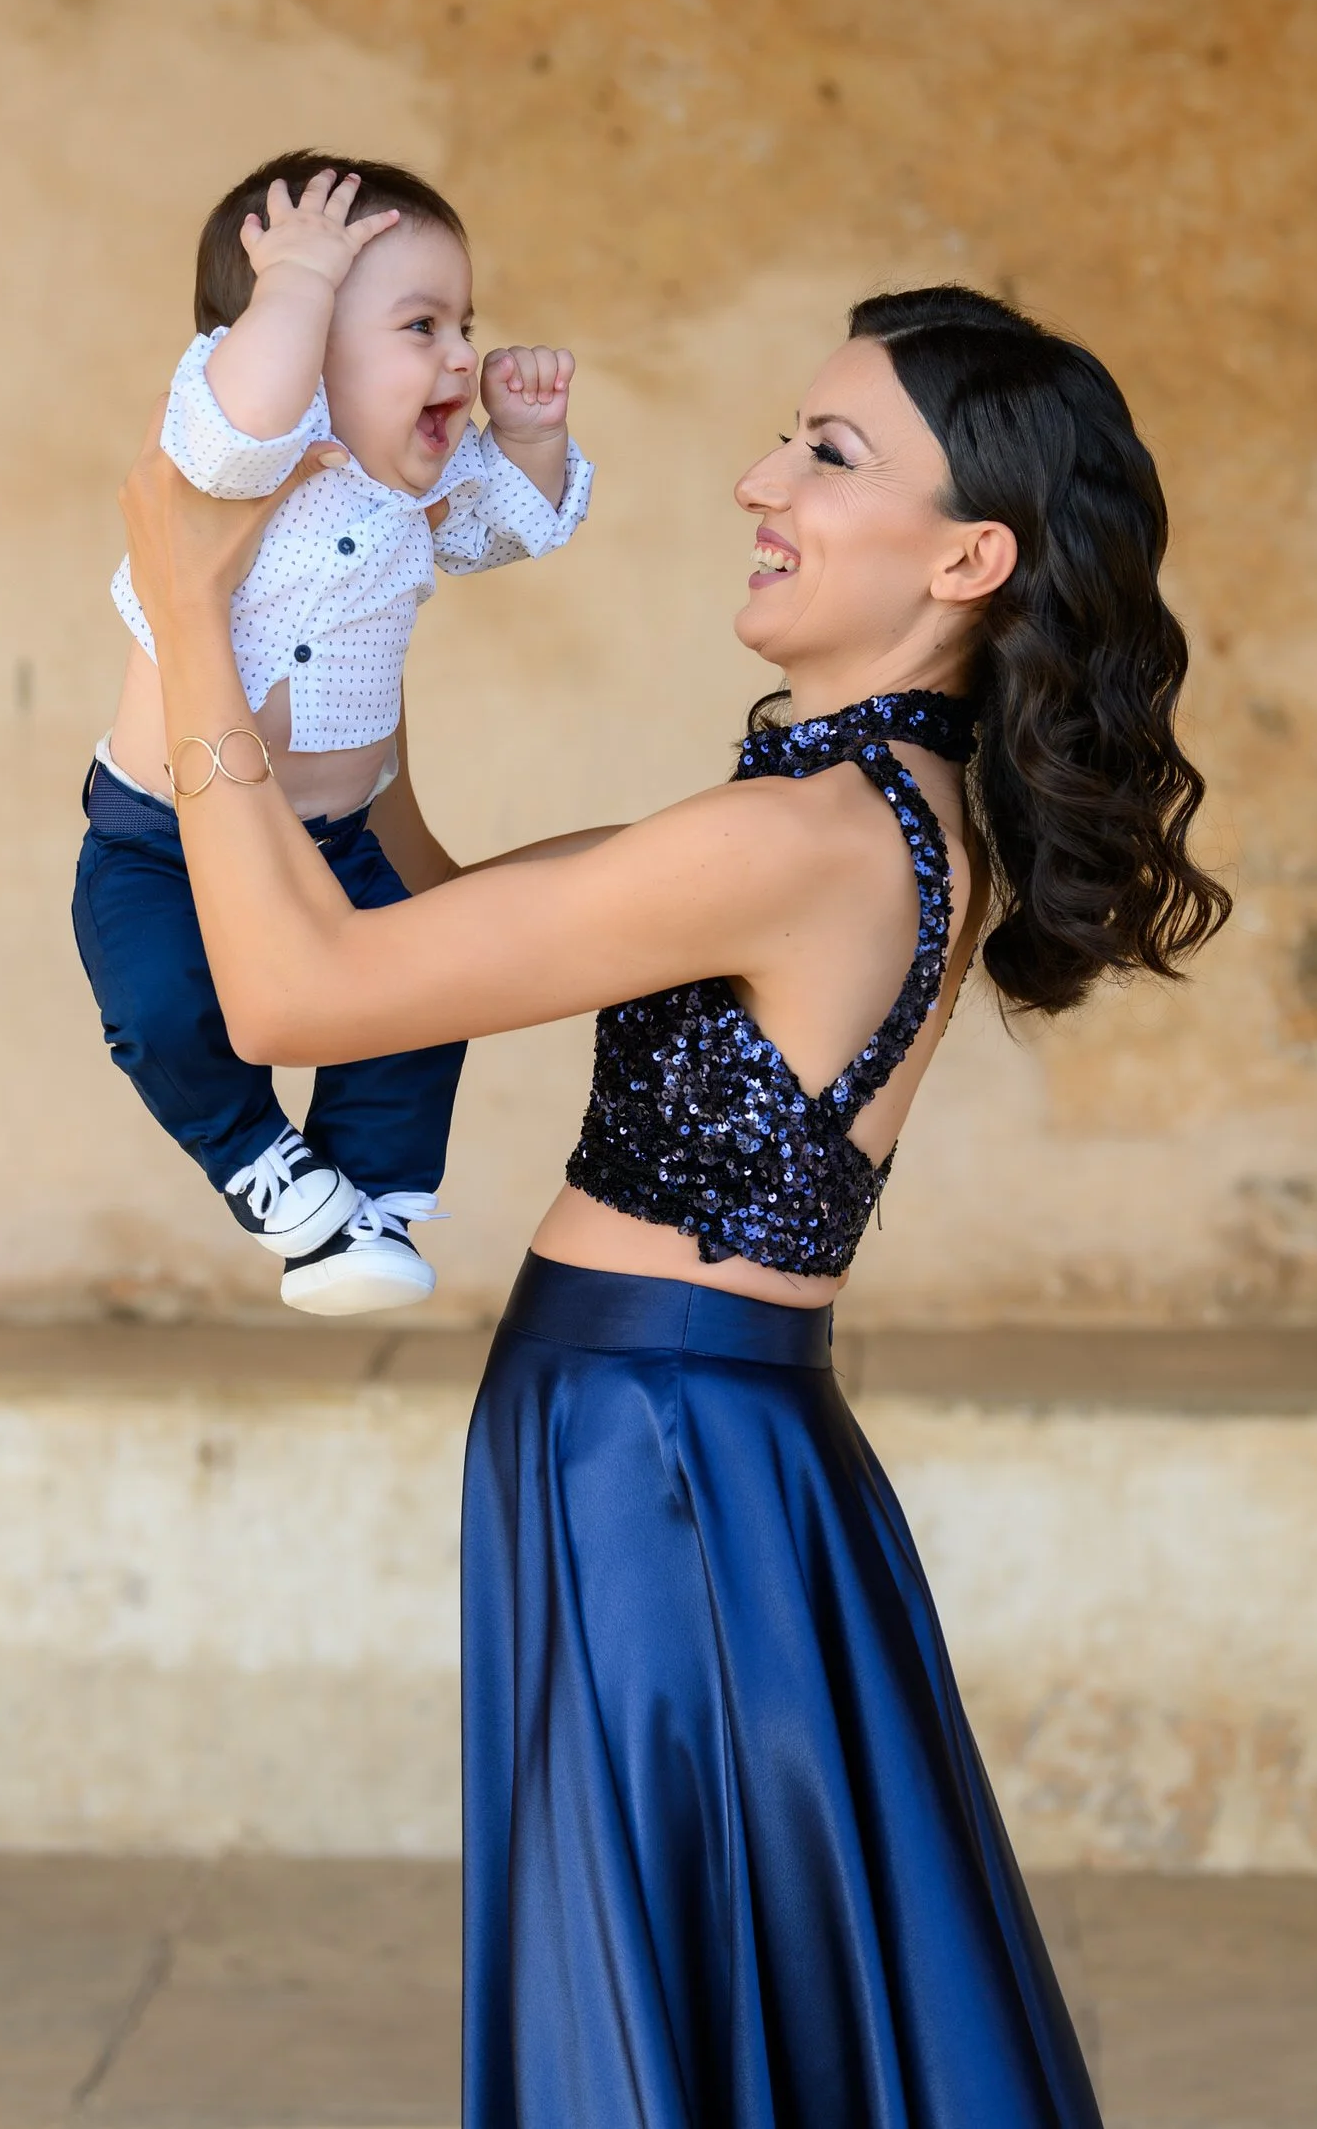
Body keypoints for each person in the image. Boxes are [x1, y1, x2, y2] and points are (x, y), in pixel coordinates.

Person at [115, 283, 1229, 2126]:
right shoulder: (856, 801)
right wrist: (353, 605)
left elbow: (296, 1000)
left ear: (967, 555)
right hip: (697, 1446)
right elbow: (427, 912)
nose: (753, 480)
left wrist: (180, 587)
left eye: (825, 450)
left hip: (654, 1463)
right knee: (733, 1996)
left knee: (652, 1992)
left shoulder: (800, 839)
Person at [73, 154, 591, 1314]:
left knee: (421, 986)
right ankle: (261, 1165)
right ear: (297, 347)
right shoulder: (236, 452)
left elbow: (502, 530)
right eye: (421, 325)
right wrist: (295, 282)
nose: (460, 354)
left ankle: (376, 1188)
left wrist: (529, 439)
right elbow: (233, 421)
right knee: (161, 1012)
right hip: (160, 840)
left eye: (466, 322)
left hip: (334, 837)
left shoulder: (408, 493)